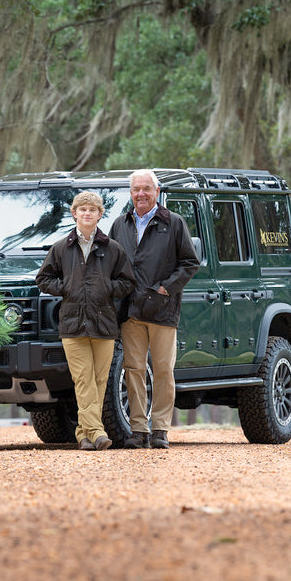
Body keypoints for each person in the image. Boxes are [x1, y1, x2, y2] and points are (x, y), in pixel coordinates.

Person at [36, 192, 136, 451]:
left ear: (100, 214)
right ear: (75, 214)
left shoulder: (112, 248)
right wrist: (65, 287)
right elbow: (43, 278)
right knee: (83, 379)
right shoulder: (61, 247)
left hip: (104, 324)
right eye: (83, 209)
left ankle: (83, 434)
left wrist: (107, 287)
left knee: (100, 381)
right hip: (73, 324)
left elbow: (128, 282)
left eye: (93, 209)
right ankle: (98, 432)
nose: (87, 213)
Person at [109, 169, 200, 449]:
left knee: (162, 370)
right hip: (131, 311)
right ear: (131, 193)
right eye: (136, 189)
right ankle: (139, 430)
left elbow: (190, 262)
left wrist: (166, 288)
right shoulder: (120, 225)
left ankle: (160, 429)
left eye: (146, 189)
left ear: (157, 192)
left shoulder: (174, 223)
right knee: (133, 370)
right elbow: (110, 263)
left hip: (162, 309)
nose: (141, 194)